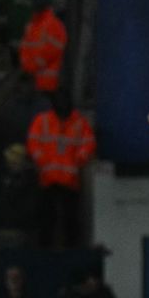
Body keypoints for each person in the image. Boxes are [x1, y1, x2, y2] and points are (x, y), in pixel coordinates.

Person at [24, 89, 95, 246]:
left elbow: (88, 144)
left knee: (70, 220)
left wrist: (78, 160)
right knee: (46, 219)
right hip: (48, 179)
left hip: (69, 181)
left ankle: (70, 248)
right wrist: (42, 161)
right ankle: (46, 249)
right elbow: (33, 143)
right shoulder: (42, 121)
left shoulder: (79, 123)